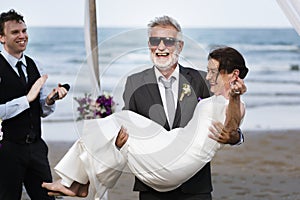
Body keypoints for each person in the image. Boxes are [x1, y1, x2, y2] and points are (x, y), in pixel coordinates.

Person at [41, 45, 248, 199]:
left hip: (181, 167)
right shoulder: (137, 82)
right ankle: (78, 182)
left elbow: (232, 128)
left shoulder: (234, 103)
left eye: (213, 71)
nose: (209, 76)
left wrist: (236, 98)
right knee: (116, 124)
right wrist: (117, 145)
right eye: (208, 70)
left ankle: (76, 184)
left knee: (114, 124)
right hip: (168, 146)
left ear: (233, 74)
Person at [0, 9, 68, 200]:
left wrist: (50, 99)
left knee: (47, 197)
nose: (22, 36)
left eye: (24, 30)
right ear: (1, 38)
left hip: (36, 147)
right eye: (15, 32)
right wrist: (27, 99)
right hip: (7, 149)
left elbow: (44, 110)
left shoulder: (36, 65)